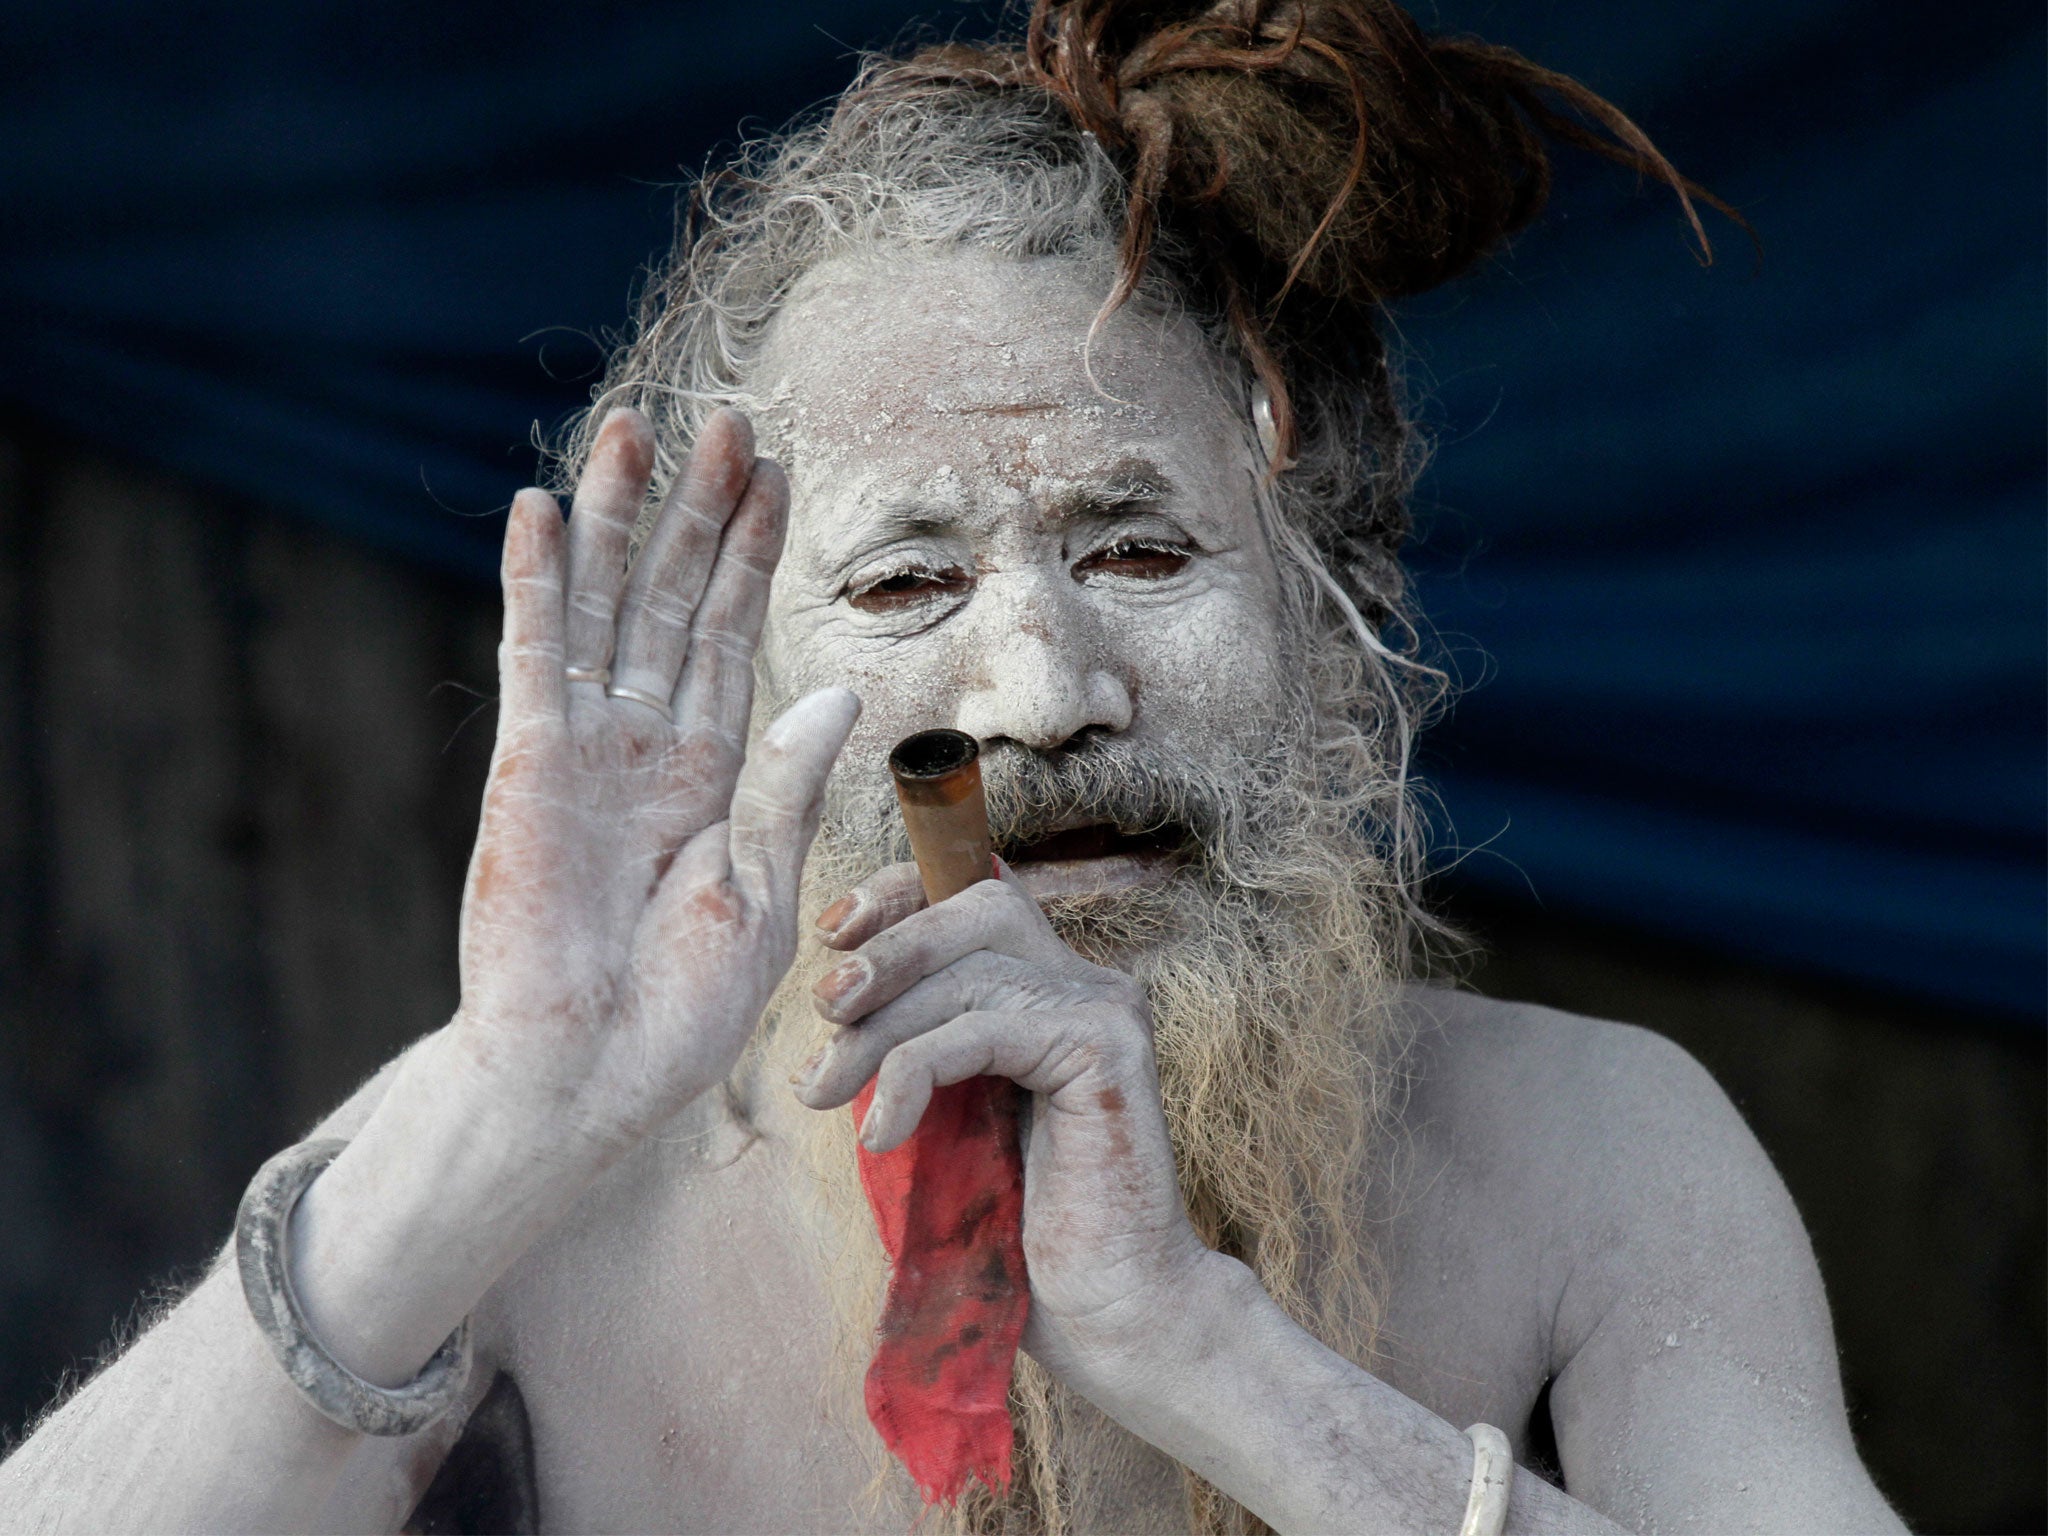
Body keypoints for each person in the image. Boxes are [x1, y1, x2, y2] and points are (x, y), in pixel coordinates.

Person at [0, 3, 1908, 1531]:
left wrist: (1204, 1350)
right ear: (736, 694)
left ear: (1339, 643)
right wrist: (499, 1112)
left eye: (1141, 554)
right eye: (907, 580)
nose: (1040, 694)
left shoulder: (1600, 1153)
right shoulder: (539, 1192)